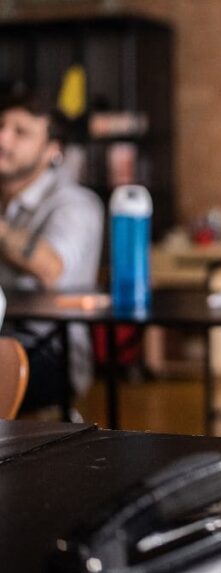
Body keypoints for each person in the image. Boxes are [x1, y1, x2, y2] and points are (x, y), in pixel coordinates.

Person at [0, 89, 103, 414]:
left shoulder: (76, 204)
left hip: (50, 350)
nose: (3, 139)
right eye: (0, 126)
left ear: (52, 151)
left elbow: (51, 269)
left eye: (21, 132)